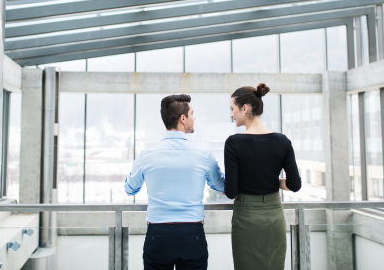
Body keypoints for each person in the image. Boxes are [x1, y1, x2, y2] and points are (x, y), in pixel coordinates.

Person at [125, 94, 225, 270]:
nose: (195, 118)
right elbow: (222, 186)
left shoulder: (146, 156)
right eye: (192, 113)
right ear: (183, 118)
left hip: (158, 234)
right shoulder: (203, 155)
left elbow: (130, 189)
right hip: (192, 234)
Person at [224, 83, 301, 270]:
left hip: (246, 218)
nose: (231, 114)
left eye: (232, 109)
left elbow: (231, 191)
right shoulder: (282, 141)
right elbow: (295, 184)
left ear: (245, 108)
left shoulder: (234, 143)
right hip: (274, 216)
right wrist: (271, 180)